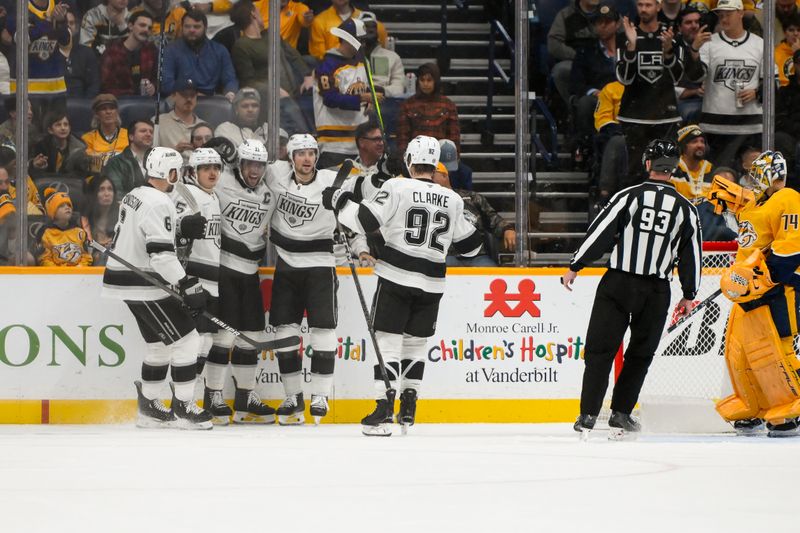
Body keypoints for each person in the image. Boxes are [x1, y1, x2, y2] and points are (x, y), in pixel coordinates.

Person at [323, 135, 483, 436]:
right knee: (415, 344)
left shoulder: (396, 186)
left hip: (397, 276)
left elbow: (365, 221)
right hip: (432, 283)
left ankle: (384, 409)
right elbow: (472, 247)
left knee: (387, 342)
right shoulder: (451, 198)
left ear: (409, 161)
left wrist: (338, 200)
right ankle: (409, 408)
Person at [563, 139, 702, 439]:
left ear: (648, 164)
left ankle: (588, 414)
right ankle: (621, 413)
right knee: (640, 354)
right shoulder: (686, 208)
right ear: (675, 167)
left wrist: (576, 264)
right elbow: (692, 254)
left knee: (600, 350)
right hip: (656, 290)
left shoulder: (628, 196)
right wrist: (689, 294)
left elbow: (600, 232)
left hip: (619, 282)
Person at [101, 146, 213, 430]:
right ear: (171, 173)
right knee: (188, 341)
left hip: (124, 278)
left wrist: (180, 227)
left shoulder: (135, 194)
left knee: (159, 346)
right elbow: (160, 255)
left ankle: (149, 406)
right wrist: (186, 283)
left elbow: (145, 231)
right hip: (143, 283)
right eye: (178, 171)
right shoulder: (160, 202)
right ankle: (184, 406)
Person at [707, 152, 800, 437]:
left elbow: (791, 248)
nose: (751, 181)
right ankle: (755, 406)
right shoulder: (758, 203)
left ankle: (789, 406)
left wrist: (763, 278)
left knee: (773, 350)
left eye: (755, 175)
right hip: (746, 290)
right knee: (741, 354)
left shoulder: (788, 198)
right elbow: (747, 233)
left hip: (775, 290)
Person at [265, 134, 341, 425]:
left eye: (311, 153)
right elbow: (249, 167)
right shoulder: (276, 174)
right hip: (286, 264)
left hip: (321, 265)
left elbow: (364, 188)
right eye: (301, 153)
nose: (307, 158)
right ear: (291, 156)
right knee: (285, 330)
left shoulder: (331, 181)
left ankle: (320, 394)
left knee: (323, 327)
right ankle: (293, 396)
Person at [203, 139, 277, 424]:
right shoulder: (220, 184)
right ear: (240, 163)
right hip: (224, 270)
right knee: (224, 335)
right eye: (250, 163)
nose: (255, 169)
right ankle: (214, 396)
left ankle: (245, 395)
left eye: (260, 164)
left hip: (251, 273)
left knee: (252, 336)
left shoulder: (269, 194)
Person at [173, 148, 224, 422]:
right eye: (205, 168)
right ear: (193, 172)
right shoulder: (187, 195)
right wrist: (183, 227)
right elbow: (175, 229)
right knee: (195, 341)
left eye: (215, 167)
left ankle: (186, 398)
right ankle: (183, 400)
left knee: (206, 341)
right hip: (194, 277)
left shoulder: (213, 195)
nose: (212, 172)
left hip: (212, 278)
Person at [685, 0, 764, 168]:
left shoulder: (759, 44)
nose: (724, 18)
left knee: (751, 181)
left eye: (728, 14)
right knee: (718, 179)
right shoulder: (709, 44)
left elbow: (774, 83)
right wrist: (694, 50)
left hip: (750, 128)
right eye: (721, 15)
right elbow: (695, 77)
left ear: (741, 13)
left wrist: (757, 92)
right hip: (715, 127)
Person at [616, 0, 684, 185]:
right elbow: (624, 78)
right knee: (634, 174)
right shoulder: (626, 35)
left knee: (664, 172)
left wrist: (668, 51)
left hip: (665, 118)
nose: (643, 9)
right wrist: (631, 46)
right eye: (640, 5)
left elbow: (677, 77)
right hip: (634, 117)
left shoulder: (671, 35)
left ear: (658, 6)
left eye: (648, 4)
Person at [230, 0, 313, 133]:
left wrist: (307, 75)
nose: (262, 15)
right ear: (253, 14)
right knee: (299, 134)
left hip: (295, 92)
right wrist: (274, 90)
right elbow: (248, 81)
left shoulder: (271, 34)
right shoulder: (241, 46)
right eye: (259, 12)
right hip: (273, 101)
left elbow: (293, 55)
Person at [314, 17, 375, 168]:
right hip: (333, 145)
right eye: (361, 40)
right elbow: (330, 99)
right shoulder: (327, 65)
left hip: (359, 143)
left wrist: (369, 101)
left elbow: (366, 89)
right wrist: (361, 98)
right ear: (348, 39)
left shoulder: (363, 62)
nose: (364, 44)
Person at [433, 162, 515, 267]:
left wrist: (507, 229)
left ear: (444, 175)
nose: (428, 180)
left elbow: (493, 218)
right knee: (438, 269)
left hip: (477, 256)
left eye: (432, 175)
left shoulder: (471, 198)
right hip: (445, 255)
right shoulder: (427, 202)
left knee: (490, 272)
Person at [568, 2, 619, 163]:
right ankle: (586, 148)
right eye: (599, 22)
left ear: (617, 24)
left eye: (608, 21)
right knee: (585, 103)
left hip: (625, 96)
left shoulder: (628, 49)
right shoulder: (585, 51)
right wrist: (592, 91)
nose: (603, 26)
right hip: (598, 97)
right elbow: (576, 83)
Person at [161, 9, 239, 99]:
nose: (191, 30)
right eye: (187, 26)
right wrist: (191, 95)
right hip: (179, 99)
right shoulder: (170, 50)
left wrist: (230, 92)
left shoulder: (220, 50)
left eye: (196, 27)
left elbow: (230, 79)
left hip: (210, 100)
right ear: (182, 27)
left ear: (205, 28)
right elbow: (166, 84)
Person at [396, 62, 460, 157]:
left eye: (429, 80)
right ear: (418, 81)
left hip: (441, 157)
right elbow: (402, 137)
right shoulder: (408, 105)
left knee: (465, 171)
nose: (425, 84)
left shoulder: (448, 105)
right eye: (422, 80)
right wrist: (404, 159)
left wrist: (454, 157)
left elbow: (454, 137)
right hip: (415, 157)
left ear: (436, 81)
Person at [546, 0, 599, 105]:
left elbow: (622, 38)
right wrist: (578, 57)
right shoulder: (565, 15)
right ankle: (574, 107)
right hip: (574, 60)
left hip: (603, 59)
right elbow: (554, 45)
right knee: (561, 70)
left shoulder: (608, 12)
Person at [100, 12, 158, 96]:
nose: (146, 30)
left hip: (145, 101)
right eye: (142, 25)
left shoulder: (152, 49)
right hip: (119, 101)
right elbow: (105, 84)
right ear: (130, 26)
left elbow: (157, 77)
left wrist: (153, 87)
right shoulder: (112, 51)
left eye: (149, 28)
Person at [309, 0, 387, 60]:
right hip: (333, 68)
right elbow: (319, 56)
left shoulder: (368, 20)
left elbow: (381, 48)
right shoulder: (319, 21)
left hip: (364, 65)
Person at [38, 187, 93, 267]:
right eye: (61, 206)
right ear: (52, 212)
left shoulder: (79, 232)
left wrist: (80, 267)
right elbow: (44, 258)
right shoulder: (46, 233)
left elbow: (86, 256)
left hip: (79, 275)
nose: (67, 207)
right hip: (55, 276)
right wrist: (58, 272)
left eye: (68, 205)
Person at [155, 79, 209, 159]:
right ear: (173, 96)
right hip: (170, 168)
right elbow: (151, 157)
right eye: (184, 95)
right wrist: (174, 152)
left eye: (192, 95)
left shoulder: (205, 127)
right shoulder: (159, 121)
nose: (189, 99)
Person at [102, 119, 154, 201]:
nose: (148, 134)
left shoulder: (159, 161)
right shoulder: (116, 162)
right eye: (143, 131)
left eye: (151, 132)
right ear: (131, 137)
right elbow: (116, 193)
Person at [359, 11, 405, 98]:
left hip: (385, 102)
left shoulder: (392, 57)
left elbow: (399, 88)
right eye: (366, 27)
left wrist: (382, 90)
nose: (370, 30)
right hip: (357, 102)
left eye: (373, 27)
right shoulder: (350, 57)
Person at [81, 93, 129, 175]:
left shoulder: (129, 135)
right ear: (96, 114)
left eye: (112, 108)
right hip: (98, 179)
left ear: (117, 112)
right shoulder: (87, 138)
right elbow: (92, 167)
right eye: (103, 109)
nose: (108, 112)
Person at [29, 111, 88, 178]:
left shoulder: (79, 147)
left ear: (69, 128)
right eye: (58, 125)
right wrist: (39, 166)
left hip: (71, 184)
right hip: (47, 183)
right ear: (50, 130)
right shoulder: (41, 146)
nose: (63, 128)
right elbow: (35, 173)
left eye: (66, 124)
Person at [61, 8, 101, 99]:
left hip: (83, 104)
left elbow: (94, 85)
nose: (68, 26)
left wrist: (85, 105)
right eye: (64, 23)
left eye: (71, 23)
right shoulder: (50, 53)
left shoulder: (87, 52)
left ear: (76, 27)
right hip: (55, 104)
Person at [670, 124, 714, 205]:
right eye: (694, 142)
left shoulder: (712, 170)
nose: (700, 145)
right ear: (683, 146)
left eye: (702, 142)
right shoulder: (672, 170)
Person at [80, 175, 119, 266]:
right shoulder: (84, 221)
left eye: (110, 189)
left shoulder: (122, 219)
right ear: (93, 194)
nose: (107, 193)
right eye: (101, 189)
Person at [776, 14, 800, 87]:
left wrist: (798, 52)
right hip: (783, 93)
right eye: (791, 30)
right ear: (784, 32)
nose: (795, 33)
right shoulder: (775, 52)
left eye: (799, 30)